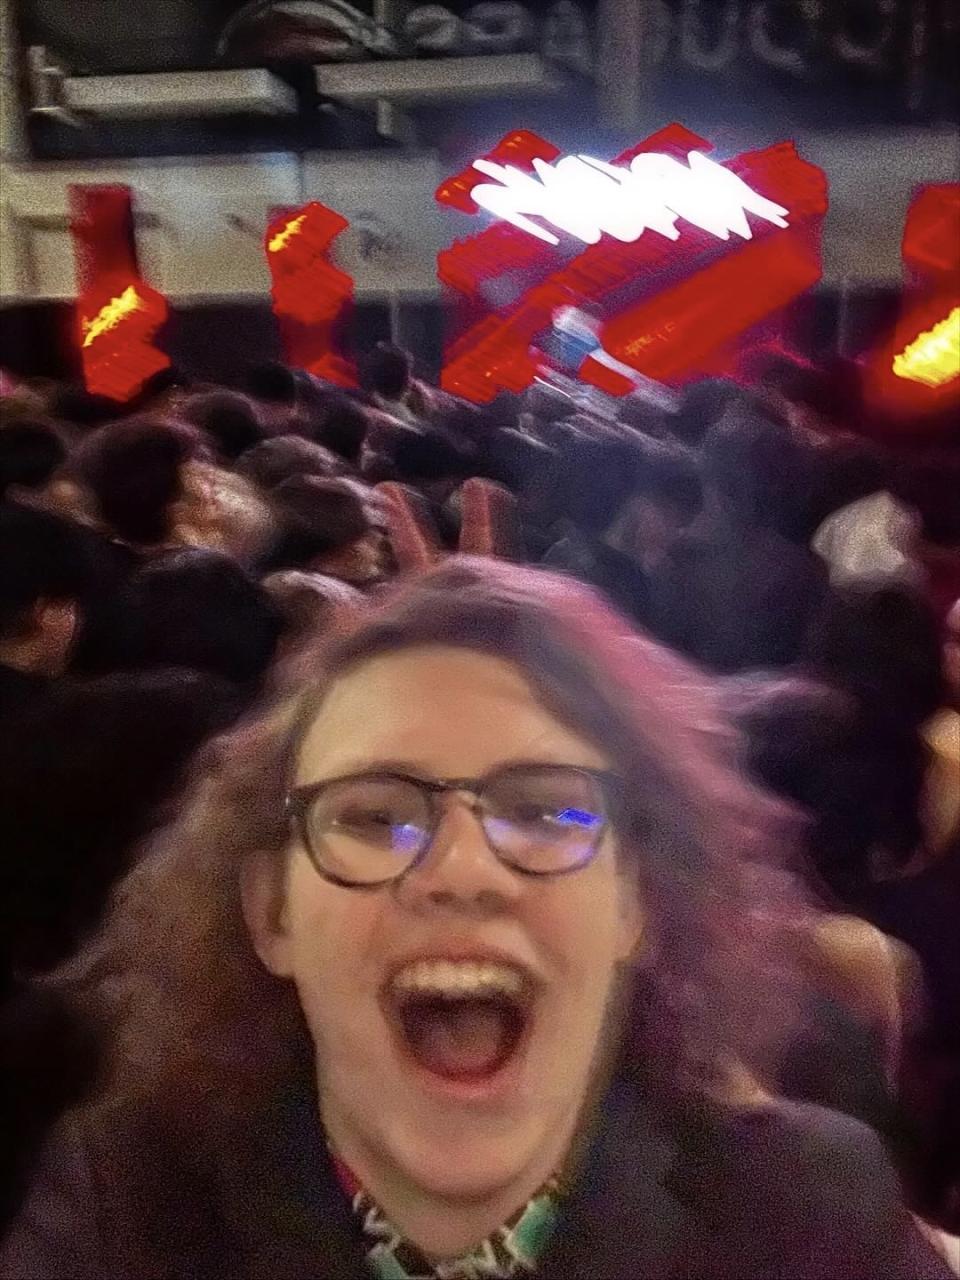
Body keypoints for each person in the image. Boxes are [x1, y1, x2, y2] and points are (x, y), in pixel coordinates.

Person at [2, 559, 949, 1279]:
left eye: (545, 811)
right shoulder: (125, 1210)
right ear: (272, 913)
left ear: (638, 904)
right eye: (375, 817)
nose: (461, 871)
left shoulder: (804, 1209)